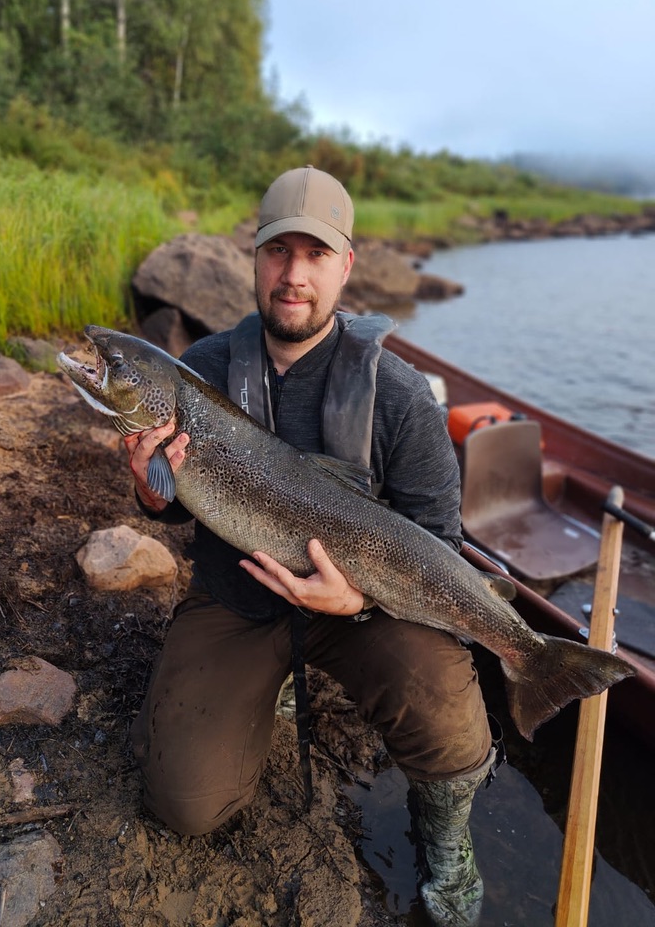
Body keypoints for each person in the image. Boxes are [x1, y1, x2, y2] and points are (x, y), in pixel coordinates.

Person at [124, 166, 496, 927]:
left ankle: (447, 841)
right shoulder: (198, 374)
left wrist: (360, 598)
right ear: (253, 258)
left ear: (346, 265)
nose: (294, 276)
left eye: (315, 255)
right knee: (185, 804)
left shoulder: (399, 395)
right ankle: (264, 694)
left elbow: (437, 544)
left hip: (369, 600)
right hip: (237, 598)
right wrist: (151, 492)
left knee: (451, 722)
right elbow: (169, 512)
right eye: (277, 252)